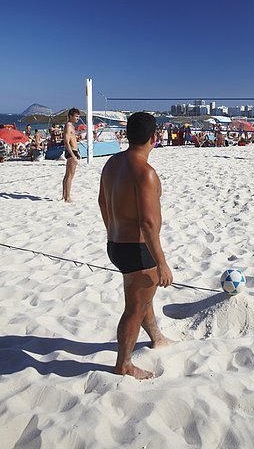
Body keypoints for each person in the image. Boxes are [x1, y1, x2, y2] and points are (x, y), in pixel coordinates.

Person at [98, 112, 173, 379]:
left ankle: (157, 337)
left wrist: (112, 231)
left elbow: (103, 202)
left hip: (115, 244)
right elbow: (149, 225)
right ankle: (124, 364)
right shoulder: (146, 173)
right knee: (134, 308)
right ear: (155, 137)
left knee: (142, 297)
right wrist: (162, 263)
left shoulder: (112, 164)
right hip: (137, 250)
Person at [62, 108, 81, 202]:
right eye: (76, 116)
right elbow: (66, 142)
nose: (78, 118)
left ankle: (64, 195)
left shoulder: (71, 126)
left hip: (74, 151)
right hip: (71, 152)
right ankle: (67, 197)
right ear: (70, 116)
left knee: (67, 175)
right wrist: (73, 155)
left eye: (78, 116)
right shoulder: (68, 126)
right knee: (70, 175)